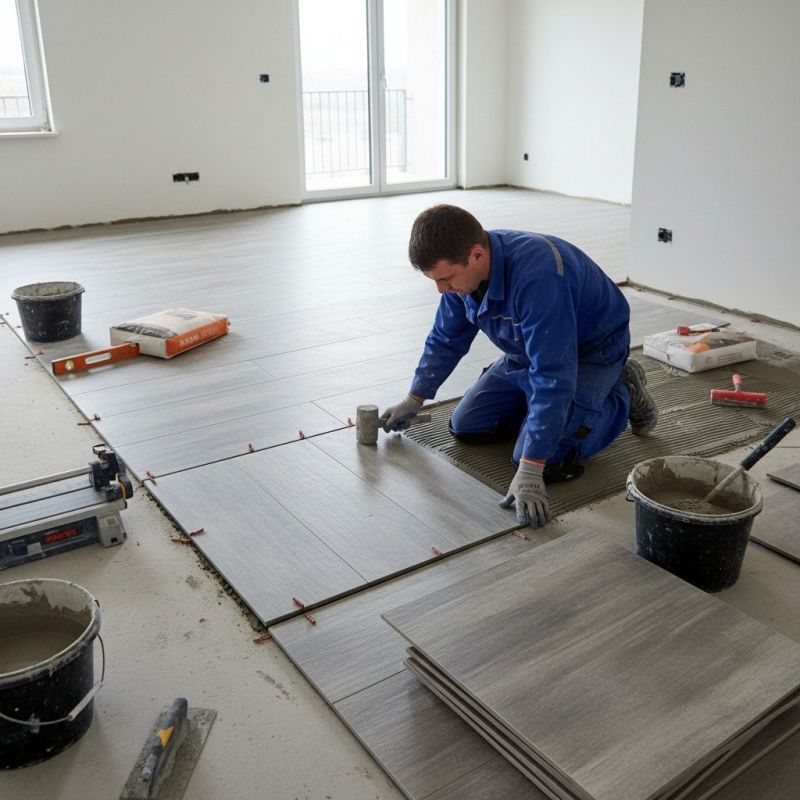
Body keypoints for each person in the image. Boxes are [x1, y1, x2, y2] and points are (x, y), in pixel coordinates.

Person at [379, 204, 657, 528]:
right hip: (527, 353)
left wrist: (531, 465)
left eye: (446, 278)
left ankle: (621, 393)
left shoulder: (539, 278)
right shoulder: (462, 276)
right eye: (436, 281)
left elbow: (554, 374)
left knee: (543, 459)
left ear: (477, 254)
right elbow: (446, 338)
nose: (442, 289)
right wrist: (414, 398)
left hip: (590, 352)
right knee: (466, 425)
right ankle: (546, 416)